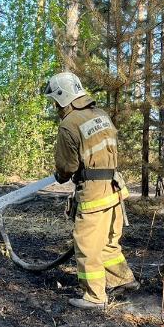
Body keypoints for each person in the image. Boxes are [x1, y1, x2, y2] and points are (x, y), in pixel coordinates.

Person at [44, 71, 139, 310]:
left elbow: (67, 167)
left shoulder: (69, 124)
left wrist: (61, 175)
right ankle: (122, 281)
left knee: (86, 245)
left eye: (55, 101)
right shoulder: (100, 114)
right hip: (115, 189)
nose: (55, 106)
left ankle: (95, 296)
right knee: (109, 242)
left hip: (94, 195)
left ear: (62, 97)